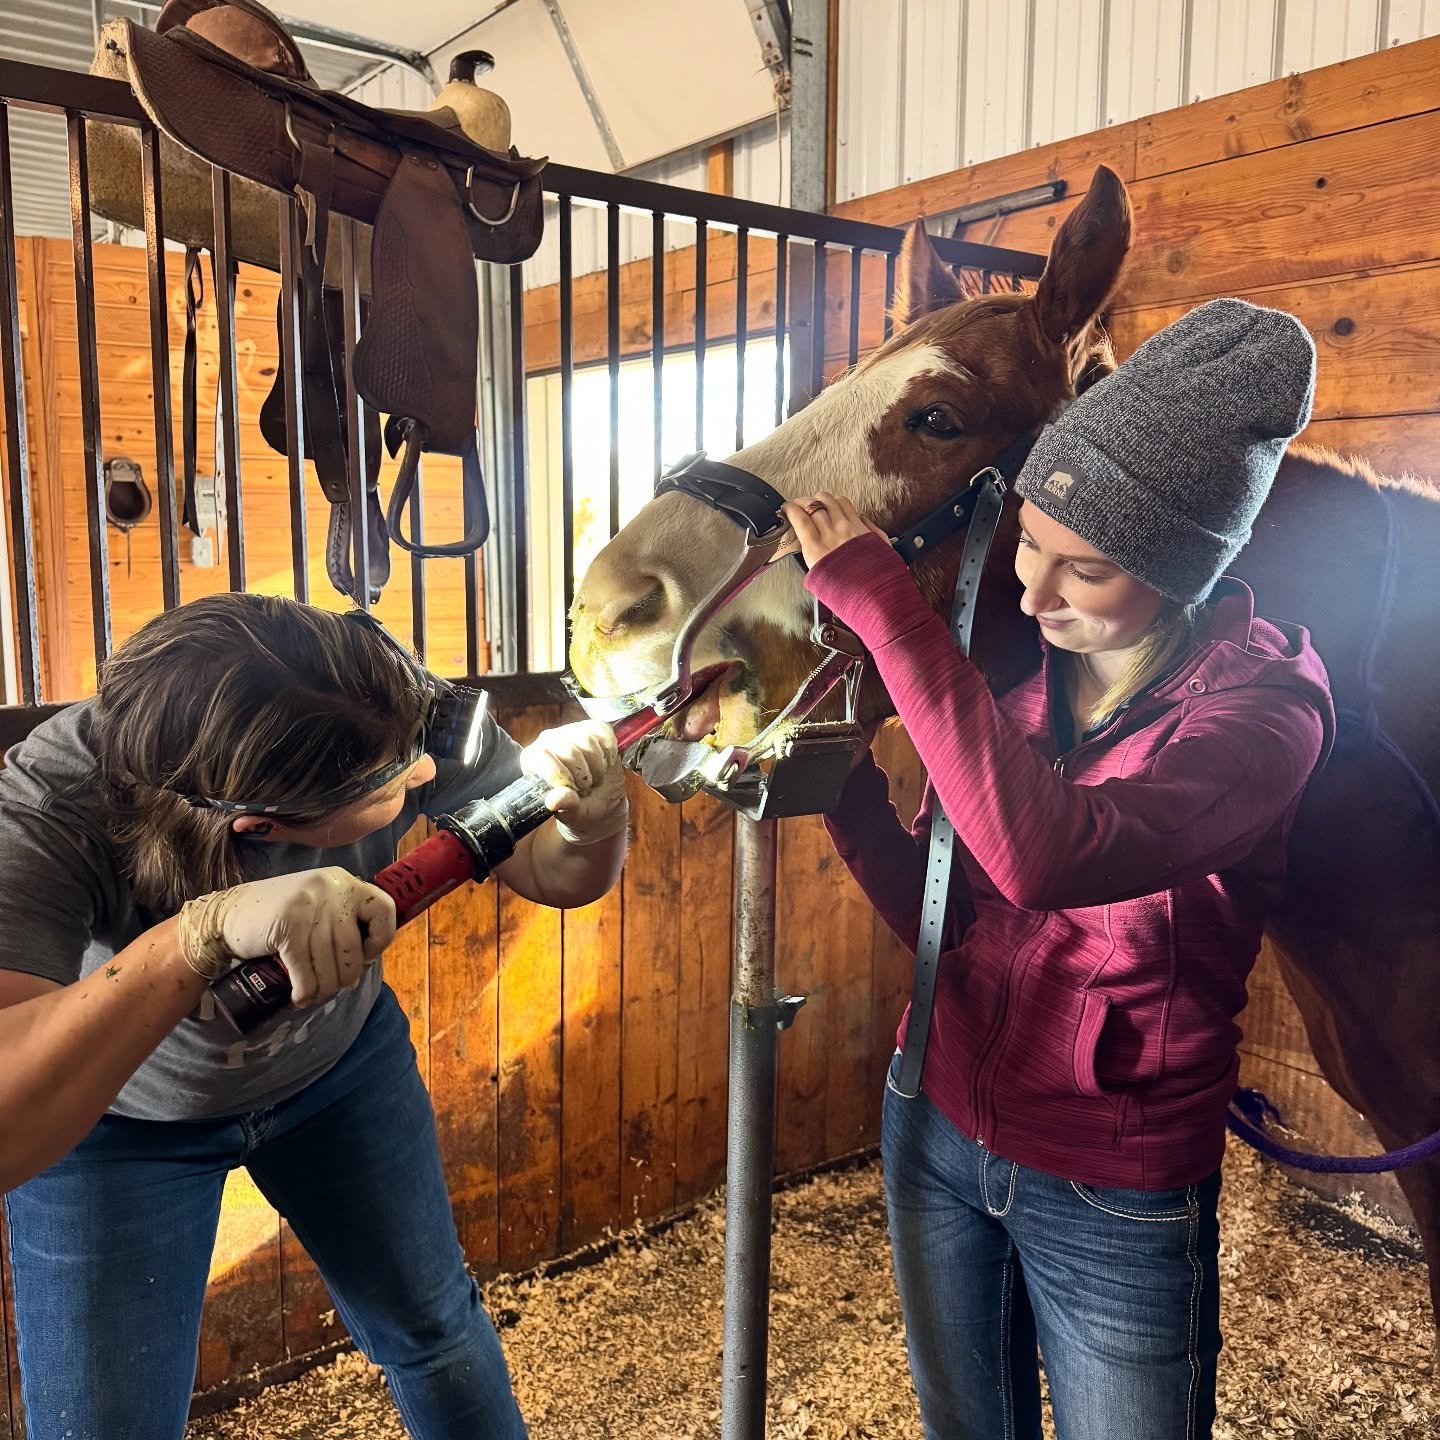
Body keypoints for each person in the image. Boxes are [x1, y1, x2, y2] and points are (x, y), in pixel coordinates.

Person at [780, 299, 1334, 1440]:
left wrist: (885, 603)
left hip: (1112, 1189)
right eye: (1029, 542)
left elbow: (1044, 857)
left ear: (1180, 572)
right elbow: (952, 910)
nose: (1032, 594)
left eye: (1082, 572)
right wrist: (827, 780)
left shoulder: (1263, 722)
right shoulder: (1025, 678)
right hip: (930, 1123)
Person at [0, 594, 631, 1440]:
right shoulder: (49, 804)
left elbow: (555, 874)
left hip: (339, 1071)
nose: (426, 776)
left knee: (438, 1335)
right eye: (396, 783)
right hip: (120, 1124)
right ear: (264, 829)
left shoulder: (381, 698)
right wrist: (197, 936)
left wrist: (597, 824)